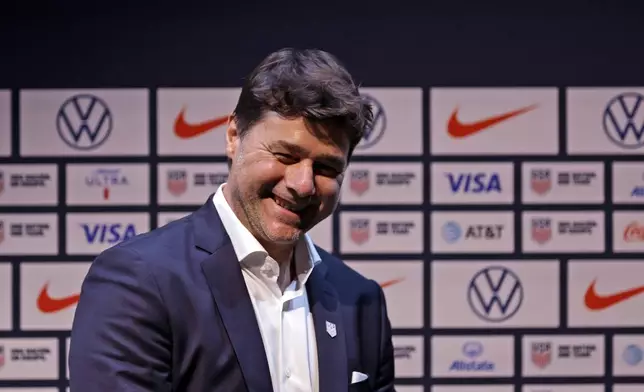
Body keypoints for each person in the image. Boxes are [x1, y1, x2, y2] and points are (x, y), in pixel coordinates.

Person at [69, 47, 395, 392]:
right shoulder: (139, 280)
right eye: (285, 155)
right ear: (233, 136)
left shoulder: (360, 299)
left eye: (326, 168)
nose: (302, 185)